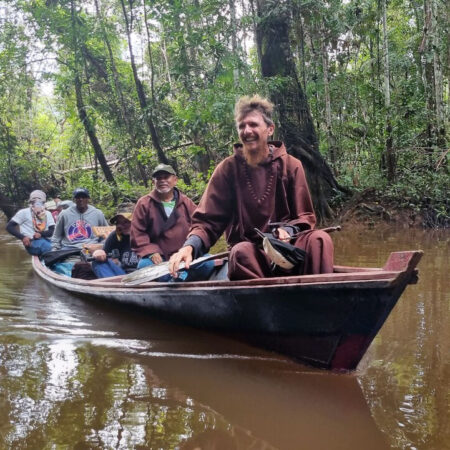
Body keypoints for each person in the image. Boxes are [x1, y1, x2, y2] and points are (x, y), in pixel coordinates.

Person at [169, 95, 334, 280]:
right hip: (252, 252)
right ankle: (266, 305)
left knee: (319, 239)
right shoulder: (228, 169)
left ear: (270, 129)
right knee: (240, 253)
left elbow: (304, 218)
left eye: (253, 125)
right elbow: (207, 221)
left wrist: (288, 231)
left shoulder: (291, 165)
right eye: (241, 126)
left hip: (288, 249)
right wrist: (189, 246)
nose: (247, 131)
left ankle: (317, 298)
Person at [131, 164, 214, 281]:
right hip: (162, 260)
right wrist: (151, 252)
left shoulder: (185, 202)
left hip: (184, 256)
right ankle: (178, 279)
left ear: (175, 180)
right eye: (159, 178)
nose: (162, 181)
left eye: (166, 177)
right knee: (144, 266)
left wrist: (190, 248)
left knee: (208, 261)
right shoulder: (144, 203)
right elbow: (137, 233)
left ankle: (176, 280)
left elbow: (200, 225)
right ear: (153, 182)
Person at [88, 203, 140, 278]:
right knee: (98, 262)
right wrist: (98, 252)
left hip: (144, 275)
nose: (122, 226)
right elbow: (104, 254)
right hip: (122, 275)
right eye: (119, 223)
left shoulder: (147, 233)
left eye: (126, 222)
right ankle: (114, 287)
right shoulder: (115, 236)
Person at [6, 190, 55, 256]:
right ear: (31, 202)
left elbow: (52, 231)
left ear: (43, 203)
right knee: (48, 248)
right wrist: (23, 237)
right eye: (34, 202)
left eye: (39, 202)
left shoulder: (48, 214)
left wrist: (41, 234)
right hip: (32, 242)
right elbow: (9, 227)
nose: (37, 204)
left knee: (59, 247)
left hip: (47, 239)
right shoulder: (23, 213)